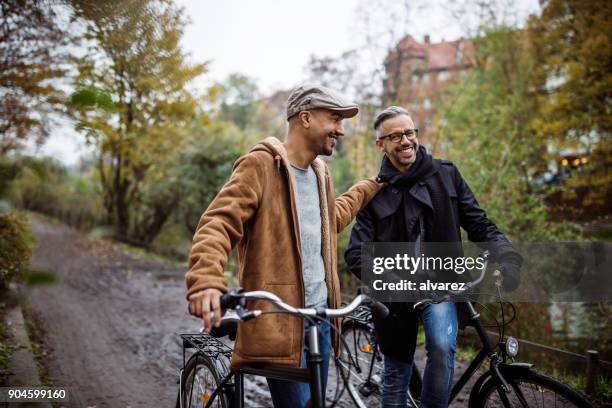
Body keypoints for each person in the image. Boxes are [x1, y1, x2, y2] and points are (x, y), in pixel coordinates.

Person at [186, 84, 384, 408]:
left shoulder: (321, 173)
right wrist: (206, 280)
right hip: (279, 321)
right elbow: (218, 223)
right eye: (335, 118)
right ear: (305, 118)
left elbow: (326, 219)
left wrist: (368, 188)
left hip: (320, 319)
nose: (341, 130)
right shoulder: (261, 166)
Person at [345, 106, 522, 408]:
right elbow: (356, 254)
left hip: (442, 286)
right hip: (395, 296)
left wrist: (506, 255)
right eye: (395, 135)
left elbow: (479, 223)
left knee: (442, 347)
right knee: (396, 372)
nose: (405, 141)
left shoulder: (447, 175)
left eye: (410, 132)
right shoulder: (374, 192)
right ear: (381, 144)